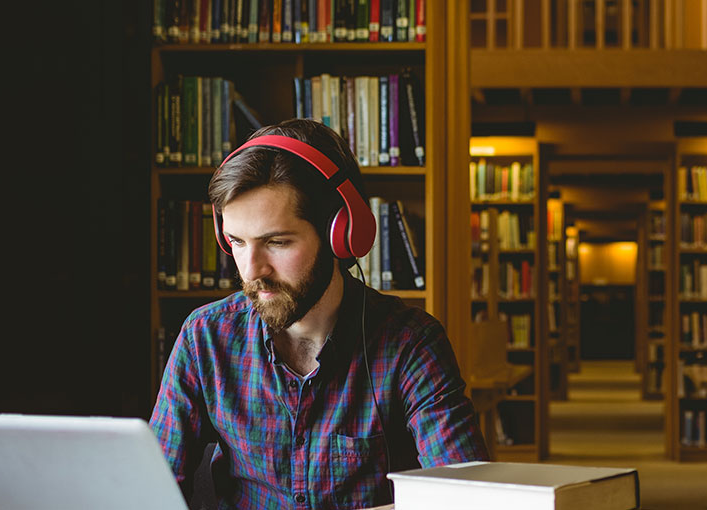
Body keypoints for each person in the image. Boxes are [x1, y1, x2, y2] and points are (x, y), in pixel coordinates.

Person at [150, 119, 489, 509]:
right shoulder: (205, 338)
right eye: (236, 242)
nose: (252, 270)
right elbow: (153, 489)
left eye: (276, 242)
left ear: (341, 235)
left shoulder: (411, 344)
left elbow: (468, 498)